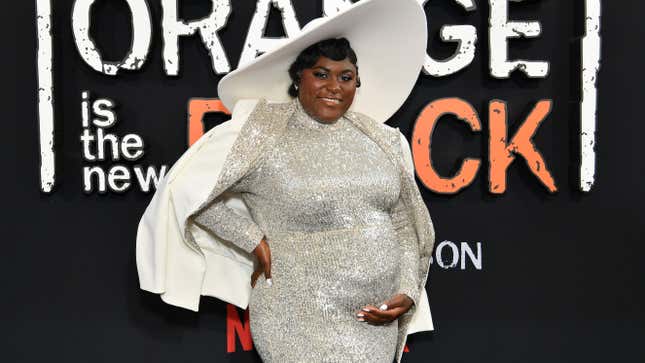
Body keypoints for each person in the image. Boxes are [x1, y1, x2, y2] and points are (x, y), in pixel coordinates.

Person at [136, 0, 435, 362]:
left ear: (358, 83)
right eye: (321, 74)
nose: (334, 87)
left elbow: (404, 225)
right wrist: (252, 239)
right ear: (298, 78)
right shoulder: (262, 133)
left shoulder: (383, 140)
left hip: (374, 322)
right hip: (295, 317)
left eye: (346, 77)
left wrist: (406, 290)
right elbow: (188, 192)